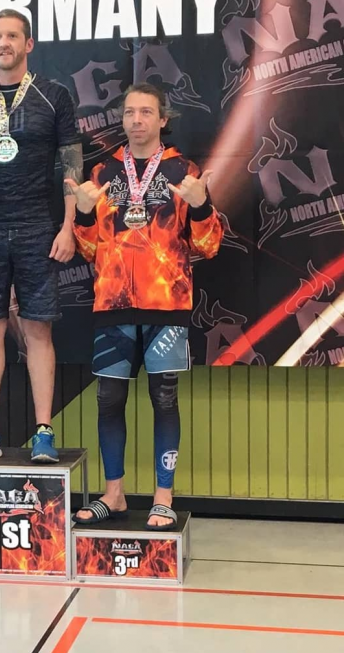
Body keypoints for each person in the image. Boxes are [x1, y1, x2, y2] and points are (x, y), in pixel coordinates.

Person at [67, 83, 223, 529]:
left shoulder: (183, 171)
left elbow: (209, 246)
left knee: (164, 398)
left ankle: (163, 497)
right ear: (121, 119)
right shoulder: (102, 173)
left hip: (166, 305)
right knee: (108, 399)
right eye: (130, 112)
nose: (136, 120)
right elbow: (90, 250)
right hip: (112, 305)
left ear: (163, 119)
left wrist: (201, 206)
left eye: (146, 112)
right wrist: (82, 214)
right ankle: (113, 494)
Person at [0, 9, 83, 464]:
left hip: (38, 227)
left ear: (28, 44)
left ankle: (44, 431)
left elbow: (72, 166)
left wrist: (68, 226)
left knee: (37, 329)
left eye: (12, 35)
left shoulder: (54, 97)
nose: (3, 43)